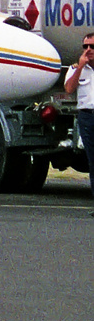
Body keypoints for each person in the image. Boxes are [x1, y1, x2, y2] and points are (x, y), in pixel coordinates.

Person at [62, 32, 94, 215]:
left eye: (92, 47)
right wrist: (81, 67)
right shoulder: (76, 68)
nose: (88, 50)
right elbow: (69, 89)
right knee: (92, 160)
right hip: (87, 116)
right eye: (85, 46)